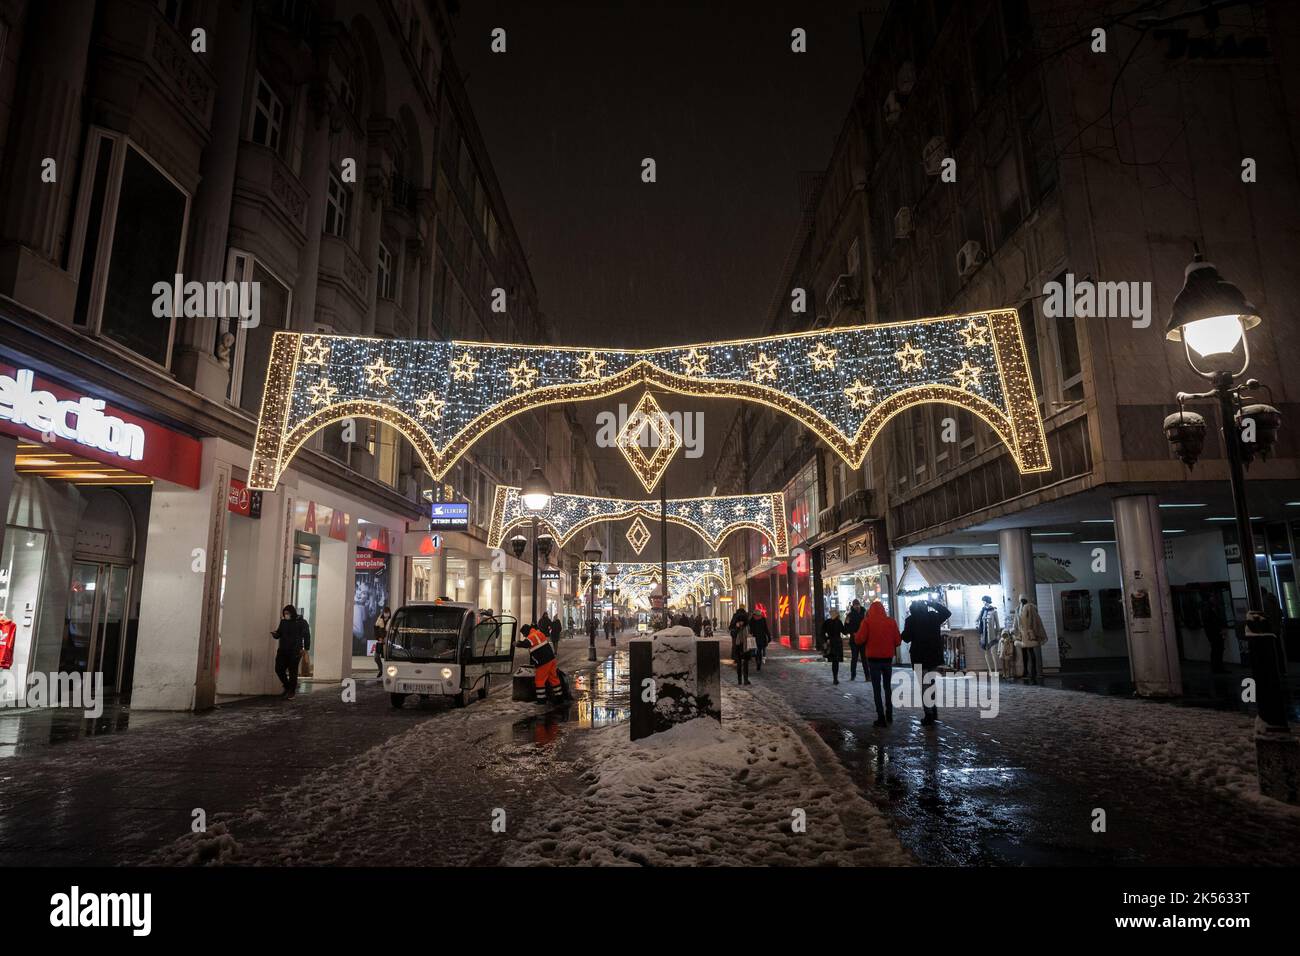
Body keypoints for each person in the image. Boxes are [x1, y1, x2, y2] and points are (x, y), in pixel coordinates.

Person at [902, 598, 949, 725]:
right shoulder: (933, 616)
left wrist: (902, 634)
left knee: (924, 686)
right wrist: (932, 603)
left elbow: (906, 638)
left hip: (919, 657)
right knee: (932, 684)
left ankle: (928, 713)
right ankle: (933, 710)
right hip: (933, 656)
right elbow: (947, 613)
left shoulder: (911, 620)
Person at [858, 600, 902, 726]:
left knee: (876, 689)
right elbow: (898, 641)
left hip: (873, 660)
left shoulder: (867, 622)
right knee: (887, 687)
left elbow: (860, 639)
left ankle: (880, 716)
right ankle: (889, 713)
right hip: (887, 659)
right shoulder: (891, 622)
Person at [271, 604, 310, 700]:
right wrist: (275, 635)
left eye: (287, 613)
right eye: (284, 614)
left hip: (295, 651)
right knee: (278, 669)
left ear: (292, 613)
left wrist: (306, 649)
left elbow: (307, 635)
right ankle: (288, 686)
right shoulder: (283, 622)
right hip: (283, 650)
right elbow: (279, 633)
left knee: (293, 672)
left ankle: (291, 691)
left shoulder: (301, 622)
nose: (286, 615)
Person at [516, 623, 561, 704]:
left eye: (524, 634)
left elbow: (526, 644)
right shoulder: (538, 633)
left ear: (526, 632)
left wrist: (517, 644)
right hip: (551, 659)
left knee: (539, 680)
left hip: (543, 661)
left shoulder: (531, 637)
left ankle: (541, 700)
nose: (524, 636)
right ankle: (559, 697)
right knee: (553, 678)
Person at [1014, 595, 1048, 684]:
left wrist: (1035, 632)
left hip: (1029, 634)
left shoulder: (1030, 608)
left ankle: (1034, 672)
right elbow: (1016, 622)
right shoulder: (1018, 609)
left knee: (1031, 651)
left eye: (1023, 599)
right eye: (1021, 599)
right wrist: (1014, 631)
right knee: (1024, 653)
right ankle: (1025, 671)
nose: (1022, 601)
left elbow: (1035, 620)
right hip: (1022, 634)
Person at [1202, 593, 1227, 673]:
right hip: (1214, 633)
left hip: (1215, 633)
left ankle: (1217, 667)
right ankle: (1217, 668)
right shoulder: (1209, 609)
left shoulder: (1210, 608)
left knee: (1217, 650)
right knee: (1217, 650)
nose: (1214, 598)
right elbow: (1211, 623)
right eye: (1212, 597)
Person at [975, 595, 1000, 674]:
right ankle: (990, 670)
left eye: (984, 601)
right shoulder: (982, 611)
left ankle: (996, 670)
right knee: (986, 653)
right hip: (984, 635)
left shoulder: (994, 611)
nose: (983, 602)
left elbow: (997, 624)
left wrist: (998, 633)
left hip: (992, 635)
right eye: (983, 601)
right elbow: (976, 619)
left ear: (987, 601)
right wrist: (977, 625)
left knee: (993, 653)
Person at [821, 608, 846, 684]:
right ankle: (835, 678)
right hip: (835, 643)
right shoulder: (838, 622)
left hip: (832, 642)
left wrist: (825, 640)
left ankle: (835, 678)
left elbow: (822, 633)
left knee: (835, 661)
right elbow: (844, 631)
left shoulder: (828, 622)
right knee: (835, 661)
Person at [844, 599, 866, 680]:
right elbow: (846, 627)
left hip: (862, 639)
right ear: (853, 606)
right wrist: (852, 632)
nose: (857, 606)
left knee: (863, 658)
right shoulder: (850, 615)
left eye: (857, 604)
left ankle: (867, 675)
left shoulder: (864, 614)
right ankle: (853, 675)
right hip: (855, 639)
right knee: (855, 658)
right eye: (855, 605)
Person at [731, 613, 752, 685]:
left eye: (742, 621)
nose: (741, 622)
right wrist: (737, 628)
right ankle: (739, 680)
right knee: (739, 664)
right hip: (738, 647)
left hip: (746, 647)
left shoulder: (747, 627)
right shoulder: (736, 627)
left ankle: (746, 680)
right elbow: (733, 634)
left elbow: (750, 634)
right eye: (739, 621)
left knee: (746, 664)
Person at [749, 607, 771, 671]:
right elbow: (766, 629)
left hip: (754, 637)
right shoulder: (763, 619)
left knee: (756, 650)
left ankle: (757, 661)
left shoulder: (752, 620)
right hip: (762, 637)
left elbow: (750, 630)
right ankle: (759, 663)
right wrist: (768, 636)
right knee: (760, 650)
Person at [372, 606, 391, 679]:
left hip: (387, 643)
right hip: (380, 641)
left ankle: (388, 673)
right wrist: (378, 638)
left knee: (387, 658)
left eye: (387, 612)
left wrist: (386, 639)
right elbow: (375, 629)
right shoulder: (379, 619)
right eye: (385, 612)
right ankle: (381, 670)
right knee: (376, 657)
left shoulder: (391, 620)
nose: (386, 614)